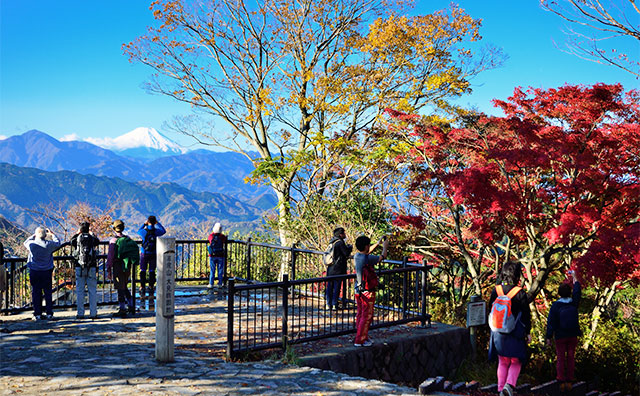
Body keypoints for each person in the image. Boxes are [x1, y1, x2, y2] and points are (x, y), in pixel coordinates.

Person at [488, 261, 532, 396]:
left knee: (502, 360)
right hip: (515, 333)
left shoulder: (496, 290)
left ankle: (501, 389)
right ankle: (509, 385)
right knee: (516, 361)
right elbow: (526, 315)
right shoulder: (519, 293)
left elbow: (490, 309)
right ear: (517, 275)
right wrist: (528, 332)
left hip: (498, 333)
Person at [546, 271, 582, 391]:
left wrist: (548, 337)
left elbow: (551, 322)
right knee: (571, 356)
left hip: (560, 335)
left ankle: (561, 379)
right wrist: (575, 277)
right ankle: (570, 379)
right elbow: (577, 289)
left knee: (561, 357)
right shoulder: (573, 303)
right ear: (569, 293)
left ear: (559, 293)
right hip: (573, 334)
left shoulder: (556, 306)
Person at [353, 234, 388, 347]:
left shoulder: (357, 256)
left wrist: (377, 243)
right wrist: (385, 247)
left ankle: (362, 336)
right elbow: (383, 256)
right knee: (367, 315)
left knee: (360, 314)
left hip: (358, 289)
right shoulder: (368, 259)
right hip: (367, 291)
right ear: (366, 246)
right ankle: (360, 340)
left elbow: (367, 252)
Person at [23, 227, 61, 320]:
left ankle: (37, 314)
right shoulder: (49, 245)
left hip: (34, 271)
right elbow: (58, 243)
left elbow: (25, 242)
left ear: (36, 235)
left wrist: (34, 235)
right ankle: (49, 313)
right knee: (48, 292)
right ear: (45, 235)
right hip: (46, 271)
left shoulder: (31, 244)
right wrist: (52, 234)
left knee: (36, 292)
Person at [70, 222, 100, 319]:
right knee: (92, 291)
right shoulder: (92, 239)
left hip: (80, 266)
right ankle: (93, 313)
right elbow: (97, 241)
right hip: (91, 266)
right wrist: (91, 233)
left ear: (80, 230)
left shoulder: (77, 238)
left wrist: (77, 233)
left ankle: (80, 313)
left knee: (80, 291)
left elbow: (71, 241)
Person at [107, 220, 137, 317]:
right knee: (124, 286)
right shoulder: (128, 239)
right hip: (127, 266)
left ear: (114, 229)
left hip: (118, 266)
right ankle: (131, 305)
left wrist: (108, 268)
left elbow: (110, 256)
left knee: (120, 287)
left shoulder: (113, 241)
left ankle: (122, 308)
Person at [137, 215, 166, 298]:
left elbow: (138, 231)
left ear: (148, 221)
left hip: (144, 253)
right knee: (152, 270)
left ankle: (142, 286)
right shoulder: (156, 232)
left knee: (142, 270)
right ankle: (151, 286)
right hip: (153, 253)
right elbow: (163, 231)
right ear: (154, 221)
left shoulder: (144, 232)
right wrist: (157, 223)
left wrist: (144, 224)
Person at [325, 227, 352, 310]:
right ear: (341, 234)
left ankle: (328, 303)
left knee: (330, 286)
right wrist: (350, 247)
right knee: (337, 286)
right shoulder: (340, 243)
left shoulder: (332, 241)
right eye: (344, 233)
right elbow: (346, 253)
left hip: (330, 267)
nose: (345, 235)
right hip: (338, 268)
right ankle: (334, 304)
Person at [207, 223, 227, 288]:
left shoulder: (211, 236)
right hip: (220, 255)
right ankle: (220, 284)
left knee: (212, 270)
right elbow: (224, 240)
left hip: (212, 256)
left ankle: (211, 284)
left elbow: (210, 241)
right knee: (220, 270)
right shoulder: (222, 236)